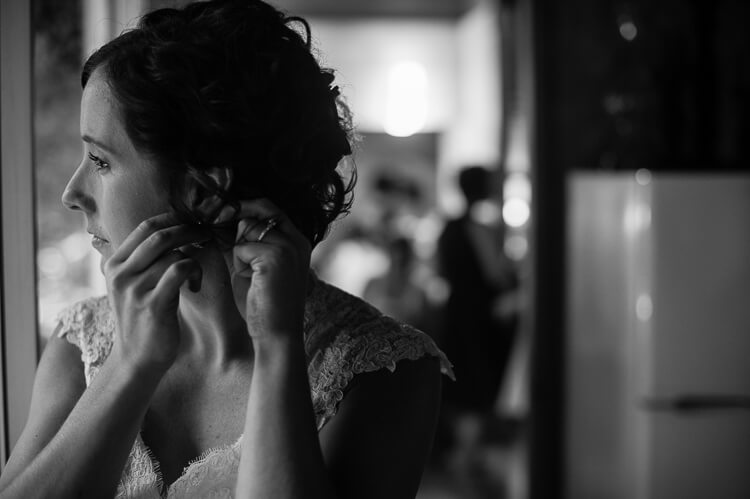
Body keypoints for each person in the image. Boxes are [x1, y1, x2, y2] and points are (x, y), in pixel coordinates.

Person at [0, 1, 453, 498]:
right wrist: (129, 364)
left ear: (205, 189)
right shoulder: (80, 343)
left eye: (100, 161)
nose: (72, 193)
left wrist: (277, 346)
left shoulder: (385, 369)